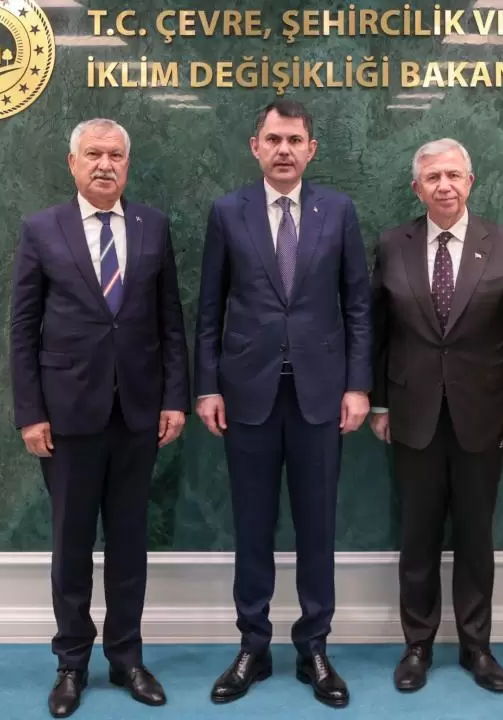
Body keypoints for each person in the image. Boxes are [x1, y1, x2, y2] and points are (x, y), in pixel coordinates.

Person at [194, 98, 372, 709]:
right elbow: (209, 308)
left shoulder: (338, 211)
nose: (284, 150)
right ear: (256, 147)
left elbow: (357, 305)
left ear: (311, 149)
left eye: (295, 140)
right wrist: (207, 386)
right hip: (247, 395)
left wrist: (358, 385)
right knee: (252, 525)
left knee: (317, 526)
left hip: (321, 395)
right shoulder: (228, 212)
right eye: (273, 140)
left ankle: (314, 646)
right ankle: (253, 644)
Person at [9, 118, 190, 718]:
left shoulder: (152, 226)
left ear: (127, 166)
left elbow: (170, 321)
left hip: (138, 414)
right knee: (71, 544)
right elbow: (23, 329)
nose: (105, 164)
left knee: (130, 542)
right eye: (93, 154)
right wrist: (30, 413)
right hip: (66, 417)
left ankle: (127, 657)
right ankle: (71, 663)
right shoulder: (42, 229)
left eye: (115, 155)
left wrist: (174, 398)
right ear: (73, 163)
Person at [369, 138, 503, 694]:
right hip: (412, 413)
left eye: (453, 175)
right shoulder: (392, 244)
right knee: (417, 535)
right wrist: (379, 402)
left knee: (474, 534)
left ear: (471, 182)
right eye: (432, 178)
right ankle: (417, 645)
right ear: (416, 188)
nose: (443, 185)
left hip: (484, 415)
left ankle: (476, 646)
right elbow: (377, 331)